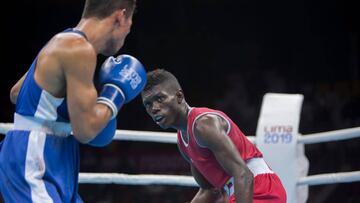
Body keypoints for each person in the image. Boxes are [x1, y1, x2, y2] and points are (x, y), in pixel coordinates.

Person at [0, 0, 147, 202]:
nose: (124, 38)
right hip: (35, 158)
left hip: (54, 156)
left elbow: (16, 93)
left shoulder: (62, 41)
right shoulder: (79, 49)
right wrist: (115, 93)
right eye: (129, 28)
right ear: (120, 17)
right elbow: (85, 131)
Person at [141, 69, 287, 203]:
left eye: (160, 99)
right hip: (240, 192)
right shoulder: (182, 141)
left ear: (179, 96)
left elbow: (243, 173)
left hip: (260, 189)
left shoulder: (204, 125)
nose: (154, 108)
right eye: (148, 104)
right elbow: (209, 190)